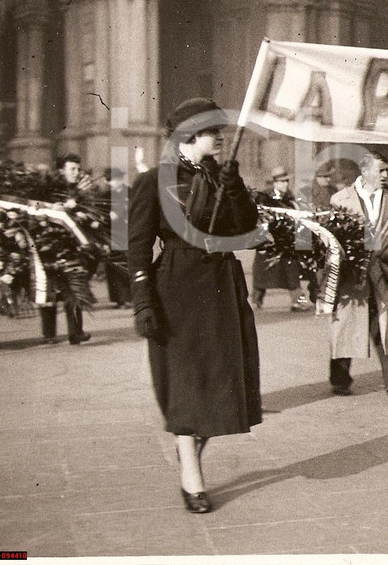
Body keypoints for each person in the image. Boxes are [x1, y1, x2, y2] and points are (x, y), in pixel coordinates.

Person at [127, 97, 263, 513]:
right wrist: (143, 303)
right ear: (190, 136)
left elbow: (247, 229)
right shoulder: (153, 181)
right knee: (187, 385)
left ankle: (189, 457)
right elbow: (135, 249)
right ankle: (192, 474)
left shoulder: (223, 177)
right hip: (177, 289)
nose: (220, 138)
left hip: (221, 287)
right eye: (211, 132)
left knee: (220, 382)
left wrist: (235, 185)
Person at [328, 150, 388, 399]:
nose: (385, 175)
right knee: (347, 325)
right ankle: (340, 378)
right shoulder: (340, 199)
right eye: (380, 170)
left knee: (386, 323)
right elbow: (329, 238)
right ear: (365, 171)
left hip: (383, 271)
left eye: (387, 170)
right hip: (351, 275)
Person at [36, 153, 93, 345]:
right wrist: (50, 207)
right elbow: (32, 205)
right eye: (72, 169)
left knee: (74, 289)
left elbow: (91, 215)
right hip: (49, 247)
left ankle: (76, 332)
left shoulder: (81, 192)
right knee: (49, 290)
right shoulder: (47, 188)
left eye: (78, 169)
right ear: (61, 170)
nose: (76, 173)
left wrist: (78, 211)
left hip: (72, 248)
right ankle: (49, 334)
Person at [251, 166, 310, 312]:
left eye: (286, 181)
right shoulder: (265, 197)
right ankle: (256, 300)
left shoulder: (289, 199)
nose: (285, 185)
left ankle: (298, 301)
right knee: (262, 270)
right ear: (275, 183)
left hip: (286, 241)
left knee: (292, 271)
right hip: (269, 240)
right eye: (282, 182)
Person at [103, 167, 131, 308]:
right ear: (108, 181)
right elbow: (99, 215)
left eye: (119, 178)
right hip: (111, 233)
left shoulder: (130, 192)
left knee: (127, 263)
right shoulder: (105, 196)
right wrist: (108, 217)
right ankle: (119, 299)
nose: (118, 182)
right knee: (114, 265)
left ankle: (129, 298)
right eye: (114, 179)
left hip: (127, 232)